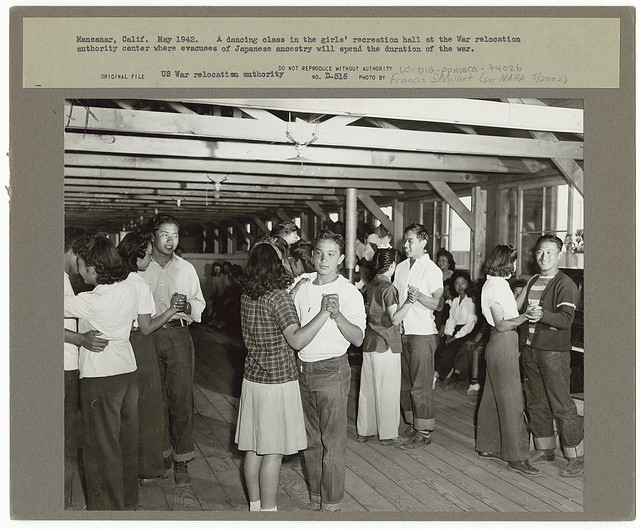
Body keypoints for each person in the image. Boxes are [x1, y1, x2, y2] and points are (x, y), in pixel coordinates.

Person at [235, 236, 331, 512]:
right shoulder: (279, 299)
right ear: (276, 265)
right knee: (273, 452)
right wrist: (324, 313)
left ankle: (255, 507)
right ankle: (269, 512)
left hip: (252, 378)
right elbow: (297, 340)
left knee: (253, 449)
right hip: (277, 382)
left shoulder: (247, 295)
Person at [64, 235, 140, 509]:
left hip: (101, 376)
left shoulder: (90, 300)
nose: (79, 268)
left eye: (81, 264)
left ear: (94, 269)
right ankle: (129, 501)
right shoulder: (128, 288)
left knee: (101, 446)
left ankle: (107, 511)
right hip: (128, 372)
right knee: (125, 441)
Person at [294, 230, 366, 511]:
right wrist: (292, 292)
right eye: (320, 253)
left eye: (331, 254)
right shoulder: (302, 284)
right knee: (309, 440)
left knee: (332, 442)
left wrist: (337, 315)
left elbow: (358, 338)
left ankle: (333, 503)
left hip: (331, 370)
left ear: (342, 258)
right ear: (312, 255)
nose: (324, 260)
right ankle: (316, 495)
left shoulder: (349, 292)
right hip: (301, 368)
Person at [138, 213, 206, 486]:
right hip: (149, 336)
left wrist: (187, 307)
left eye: (175, 235)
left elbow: (200, 305)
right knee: (155, 399)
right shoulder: (140, 268)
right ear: (152, 236)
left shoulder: (186, 269)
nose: (170, 240)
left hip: (179, 335)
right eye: (165, 234)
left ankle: (183, 461)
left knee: (181, 398)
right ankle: (161, 456)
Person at [117, 230, 186, 485]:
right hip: (143, 347)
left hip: (124, 345)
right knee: (148, 409)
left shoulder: (115, 280)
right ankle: (146, 469)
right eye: (146, 256)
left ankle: (127, 468)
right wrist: (171, 310)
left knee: (127, 408)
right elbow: (147, 327)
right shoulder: (138, 284)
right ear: (136, 259)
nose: (149, 261)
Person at [521, 234, 584, 477]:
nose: (543, 257)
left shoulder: (565, 283)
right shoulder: (535, 279)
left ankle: (576, 457)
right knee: (536, 401)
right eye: (540, 252)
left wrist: (542, 316)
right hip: (531, 348)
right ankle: (545, 448)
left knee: (561, 404)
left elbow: (566, 320)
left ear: (559, 255)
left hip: (553, 353)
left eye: (549, 252)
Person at [475, 244, 540, 477]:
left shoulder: (498, 285)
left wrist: (529, 285)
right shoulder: (494, 287)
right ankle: (517, 457)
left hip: (500, 345)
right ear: (504, 263)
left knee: (492, 397)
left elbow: (512, 309)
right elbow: (503, 324)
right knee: (513, 402)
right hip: (503, 343)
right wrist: (527, 317)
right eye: (512, 262)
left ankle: (487, 446)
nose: (514, 266)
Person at [63, 227, 109, 509]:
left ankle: (62, 502)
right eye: (82, 261)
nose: (82, 270)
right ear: (74, 252)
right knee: (66, 442)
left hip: (67, 365)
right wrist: (80, 338)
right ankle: (62, 506)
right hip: (64, 367)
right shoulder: (57, 278)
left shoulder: (65, 279)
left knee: (66, 440)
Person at [392, 223, 443, 450]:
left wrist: (419, 295)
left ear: (423, 242)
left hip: (422, 334)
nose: (405, 245)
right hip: (402, 332)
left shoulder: (432, 269)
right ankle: (413, 425)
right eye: (405, 241)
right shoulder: (401, 267)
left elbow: (438, 303)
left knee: (420, 386)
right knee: (405, 384)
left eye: (410, 241)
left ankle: (423, 432)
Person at [356, 248, 414, 446]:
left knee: (368, 388)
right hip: (386, 343)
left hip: (371, 342)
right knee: (388, 389)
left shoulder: (372, 285)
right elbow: (395, 318)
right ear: (392, 265)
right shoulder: (389, 288)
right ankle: (388, 434)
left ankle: (365, 430)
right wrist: (409, 302)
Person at [434, 271, 477, 388]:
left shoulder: (472, 301)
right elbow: (451, 319)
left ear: (468, 284)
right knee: (441, 347)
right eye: (457, 284)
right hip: (455, 330)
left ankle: (435, 376)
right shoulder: (455, 300)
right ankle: (441, 374)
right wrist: (448, 334)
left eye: (463, 283)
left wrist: (454, 338)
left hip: (468, 331)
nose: (460, 287)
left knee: (450, 349)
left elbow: (470, 324)